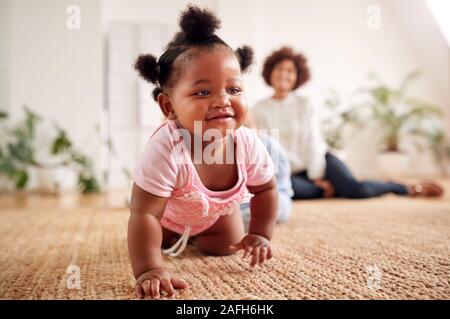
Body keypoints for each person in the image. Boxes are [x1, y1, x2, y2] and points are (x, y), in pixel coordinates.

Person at [128, 5, 278, 300]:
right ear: (169, 107)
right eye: (203, 92)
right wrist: (148, 269)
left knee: (225, 247)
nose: (223, 100)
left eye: (233, 90)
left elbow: (266, 189)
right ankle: (168, 240)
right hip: (167, 216)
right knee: (153, 240)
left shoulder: (247, 143)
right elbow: (145, 213)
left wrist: (260, 233)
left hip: (216, 216)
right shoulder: (165, 148)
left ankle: (203, 235)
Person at [252, 47, 443, 200]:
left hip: (320, 161)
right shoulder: (259, 108)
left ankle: (402, 187)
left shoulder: (305, 104)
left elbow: (314, 142)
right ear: (270, 72)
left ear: (297, 77)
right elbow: (269, 150)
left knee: (355, 190)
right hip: (291, 174)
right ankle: (328, 190)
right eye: (279, 69)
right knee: (280, 190)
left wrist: (316, 175)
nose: (283, 74)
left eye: (290, 70)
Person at [240, 114, 293, 230]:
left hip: (273, 193)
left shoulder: (268, 144)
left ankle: (238, 223)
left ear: (255, 129)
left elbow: (279, 177)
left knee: (280, 207)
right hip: (237, 202)